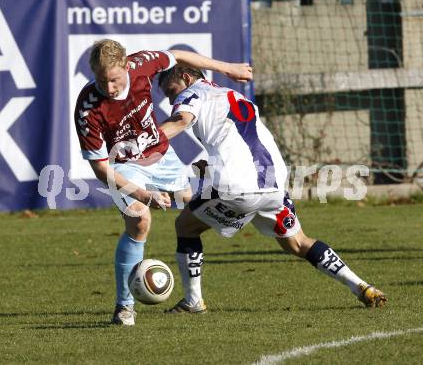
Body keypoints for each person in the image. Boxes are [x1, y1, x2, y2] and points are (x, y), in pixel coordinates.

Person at [158, 66, 387, 314]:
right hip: (273, 183)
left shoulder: (193, 92)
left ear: (186, 78)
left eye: (171, 92)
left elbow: (181, 120)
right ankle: (361, 286)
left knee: (185, 226)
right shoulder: (232, 95)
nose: (172, 100)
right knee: (297, 244)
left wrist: (145, 142)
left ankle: (193, 301)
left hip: (238, 187)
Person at [73, 39, 252, 326]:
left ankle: (194, 298)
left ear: (125, 66)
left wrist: (227, 68)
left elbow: (180, 55)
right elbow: (100, 169)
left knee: (195, 204)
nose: (109, 87)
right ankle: (124, 307)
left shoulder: (142, 64)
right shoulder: (87, 108)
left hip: (160, 154)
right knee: (139, 219)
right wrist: (144, 195)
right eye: (101, 80)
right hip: (124, 165)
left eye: (115, 79)